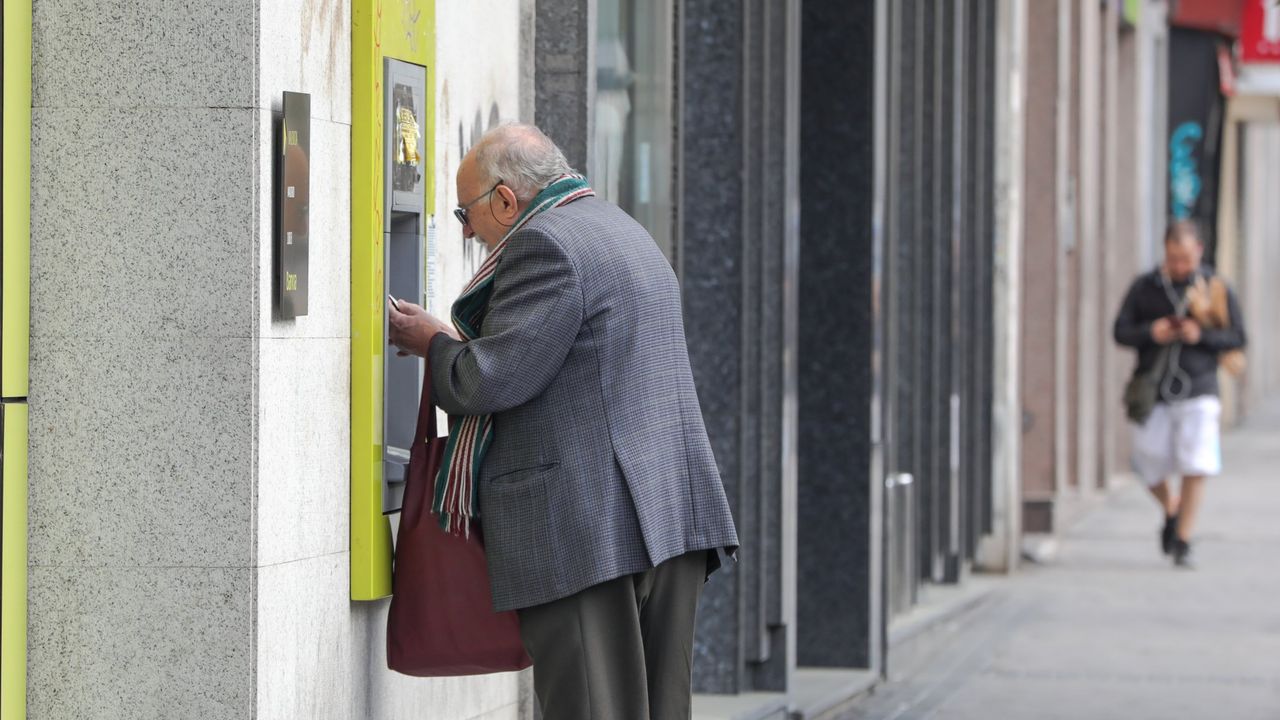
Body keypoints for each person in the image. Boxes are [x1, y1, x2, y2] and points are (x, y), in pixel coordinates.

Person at [387, 122, 739, 719]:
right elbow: (553, 358)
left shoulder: (543, 244)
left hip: (586, 529)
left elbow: (487, 381)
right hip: (664, 517)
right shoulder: (619, 228)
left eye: (464, 212)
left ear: (504, 199)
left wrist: (434, 346)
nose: (467, 230)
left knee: (591, 708)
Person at [1113, 220, 1246, 567]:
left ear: (1198, 252)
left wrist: (1198, 336)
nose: (1180, 266)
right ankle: (1172, 506)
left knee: (1196, 461)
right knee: (1147, 459)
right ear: (1165, 253)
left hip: (1199, 386)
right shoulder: (1146, 287)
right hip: (1154, 389)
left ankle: (1183, 538)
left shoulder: (1215, 288)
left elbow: (1238, 337)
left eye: (1185, 258)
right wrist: (1150, 332)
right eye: (1174, 258)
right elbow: (1120, 331)